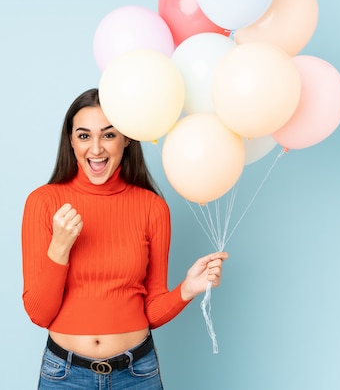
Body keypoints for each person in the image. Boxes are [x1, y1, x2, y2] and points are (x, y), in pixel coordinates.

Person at [21, 88, 228, 389]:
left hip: (136, 374)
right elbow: (39, 313)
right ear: (70, 141)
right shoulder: (43, 202)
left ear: (127, 138)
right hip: (65, 376)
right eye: (83, 136)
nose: (96, 149)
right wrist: (59, 248)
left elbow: (151, 311)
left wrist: (187, 289)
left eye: (108, 135)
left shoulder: (151, 207)